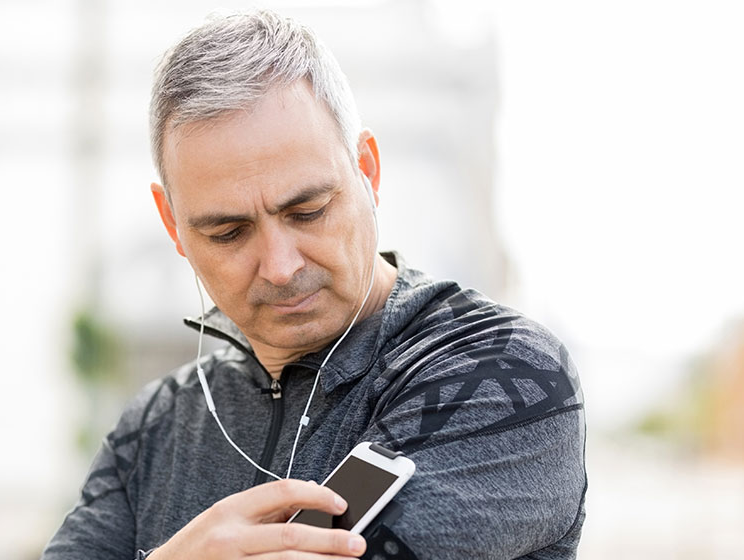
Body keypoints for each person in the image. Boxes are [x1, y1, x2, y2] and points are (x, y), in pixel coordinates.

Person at [42, 9, 586, 560]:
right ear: (173, 226)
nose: (279, 266)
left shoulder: (504, 372)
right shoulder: (156, 425)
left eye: (308, 210)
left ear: (368, 172)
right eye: (228, 233)